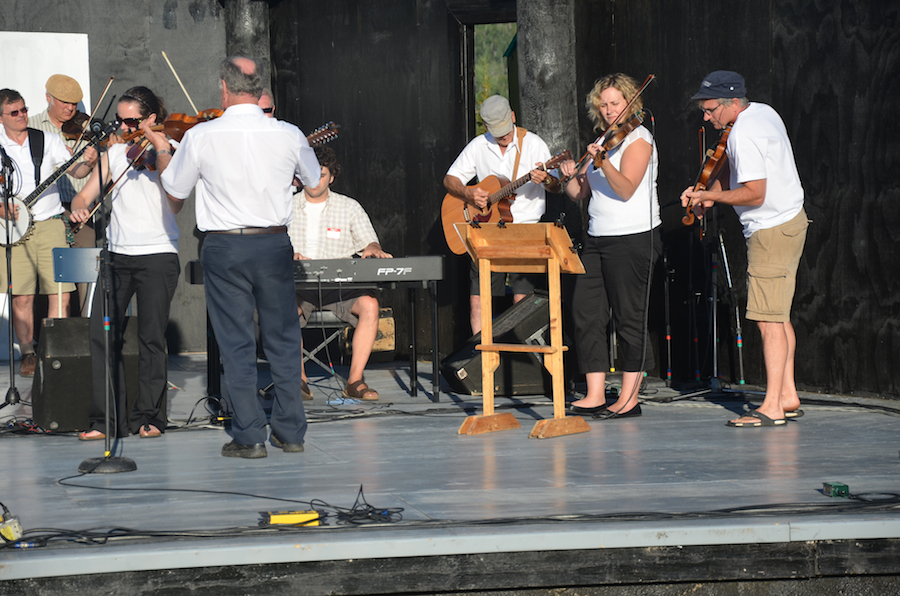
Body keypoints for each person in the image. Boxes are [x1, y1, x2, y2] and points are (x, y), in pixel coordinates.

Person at [161, 56, 320, 459]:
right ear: (260, 87)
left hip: (226, 244)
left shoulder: (201, 136)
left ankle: (249, 435)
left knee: (236, 343)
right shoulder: (288, 133)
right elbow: (315, 181)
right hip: (272, 243)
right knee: (284, 339)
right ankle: (290, 432)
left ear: (224, 89)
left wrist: (165, 153)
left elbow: (175, 195)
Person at [681, 70, 808, 428]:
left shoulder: (745, 131)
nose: (707, 117)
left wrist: (712, 196)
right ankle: (786, 395)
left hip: (771, 231)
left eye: (710, 110)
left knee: (768, 322)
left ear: (732, 103)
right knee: (779, 316)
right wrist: (711, 189)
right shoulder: (763, 112)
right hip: (788, 222)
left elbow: (755, 192)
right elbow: (735, 172)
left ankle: (771, 407)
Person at [70, 86, 182, 441]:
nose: (121, 126)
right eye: (118, 120)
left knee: (151, 337)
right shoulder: (115, 155)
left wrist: (159, 146)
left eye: (131, 120)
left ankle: (150, 415)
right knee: (102, 335)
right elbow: (83, 194)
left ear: (151, 119)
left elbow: (176, 203)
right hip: (116, 255)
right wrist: (79, 207)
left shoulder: (171, 151)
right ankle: (105, 419)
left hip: (158, 254)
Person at [559, 73, 662, 420]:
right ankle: (594, 393)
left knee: (629, 318)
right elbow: (579, 195)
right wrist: (570, 174)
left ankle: (630, 399)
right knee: (585, 312)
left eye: (615, 103)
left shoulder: (639, 139)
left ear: (631, 102)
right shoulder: (604, 139)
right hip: (597, 237)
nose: (608, 110)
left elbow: (627, 188)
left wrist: (602, 162)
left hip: (633, 238)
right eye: (602, 104)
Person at [0, 89, 97, 377]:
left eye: (24, 109)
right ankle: (28, 353)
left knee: (61, 293)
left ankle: (56, 350)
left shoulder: (46, 139)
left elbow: (76, 172)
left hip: (51, 223)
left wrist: (89, 161)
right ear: (1, 117)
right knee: (22, 296)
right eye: (14, 112)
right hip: (14, 230)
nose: (22, 116)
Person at [443, 95, 560, 334]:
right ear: (486, 127)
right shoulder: (478, 145)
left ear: (513, 117)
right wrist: (469, 193)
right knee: (478, 301)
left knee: (522, 300)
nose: (503, 136)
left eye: (506, 130)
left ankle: (519, 363)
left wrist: (546, 178)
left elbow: (556, 186)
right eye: (497, 132)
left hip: (525, 232)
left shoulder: (534, 144)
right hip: (487, 231)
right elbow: (450, 180)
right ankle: (480, 361)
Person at [289, 146, 391, 401]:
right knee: (283, 309)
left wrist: (374, 249)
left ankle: (355, 381)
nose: (315, 180)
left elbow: (370, 243)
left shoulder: (349, 207)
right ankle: (299, 381)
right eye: (309, 174)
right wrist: (286, 254)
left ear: (332, 177)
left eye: (321, 174)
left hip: (339, 286)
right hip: (297, 287)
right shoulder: (285, 207)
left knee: (370, 304)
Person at [28, 74, 99, 316]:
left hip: (82, 211)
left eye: (74, 103)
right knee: (46, 279)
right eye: (64, 102)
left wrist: (92, 160)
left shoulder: (88, 128)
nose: (70, 108)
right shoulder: (31, 128)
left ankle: (82, 335)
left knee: (83, 276)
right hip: (46, 214)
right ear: (48, 98)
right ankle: (44, 338)